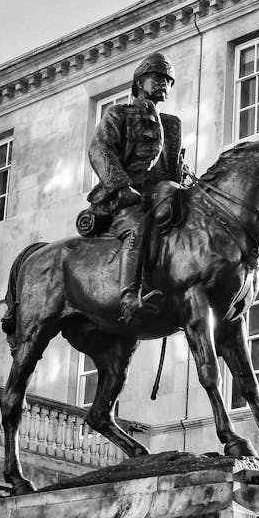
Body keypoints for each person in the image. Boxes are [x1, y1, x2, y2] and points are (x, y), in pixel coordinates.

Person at [87, 52, 187, 325]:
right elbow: (99, 149)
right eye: (156, 78)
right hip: (125, 201)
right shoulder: (119, 114)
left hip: (160, 198)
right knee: (138, 228)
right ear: (139, 82)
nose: (163, 85)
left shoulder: (172, 124)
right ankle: (130, 297)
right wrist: (121, 187)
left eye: (167, 81)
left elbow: (173, 170)